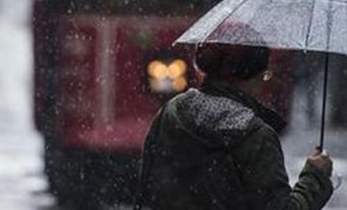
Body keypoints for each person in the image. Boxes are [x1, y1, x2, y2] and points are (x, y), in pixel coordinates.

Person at [135, 42, 334, 210]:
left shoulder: (172, 111)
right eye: (264, 75)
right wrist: (315, 177)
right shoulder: (255, 136)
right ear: (250, 77)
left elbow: (147, 190)